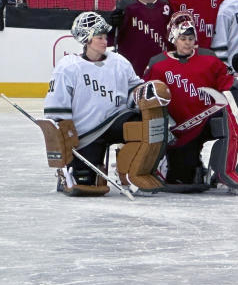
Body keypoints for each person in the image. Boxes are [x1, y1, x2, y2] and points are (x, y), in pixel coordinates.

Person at [43, 11, 158, 194]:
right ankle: (68, 173)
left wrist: (148, 93)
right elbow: (56, 108)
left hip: (116, 121)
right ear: (86, 39)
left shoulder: (119, 62)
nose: (105, 41)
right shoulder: (68, 67)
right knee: (86, 184)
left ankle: (130, 174)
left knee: (143, 126)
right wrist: (65, 134)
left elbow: (135, 90)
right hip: (87, 133)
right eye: (99, 37)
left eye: (106, 37)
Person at [144, 11, 238, 190]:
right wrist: (165, 122)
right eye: (183, 38)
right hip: (179, 130)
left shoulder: (208, 58)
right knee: (183, 179)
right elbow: (148, 97)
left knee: (235, 114)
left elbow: (228, 83)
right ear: (173, 38)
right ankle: (189, 166)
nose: (188, 42)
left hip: (207, 121)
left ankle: (229, 169)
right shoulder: (157, 64)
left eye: (191, 38)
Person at [108, 0, 171, 76]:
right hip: (132, 66)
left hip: (158, 66)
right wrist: (113, 23)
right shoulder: (127, 4)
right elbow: (111, 35)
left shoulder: (165, 5)